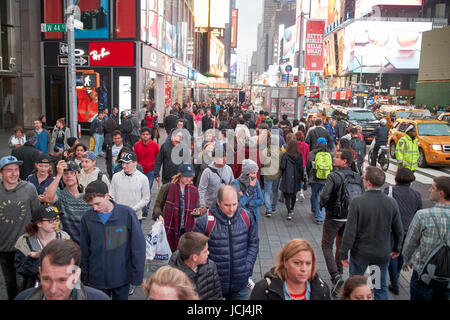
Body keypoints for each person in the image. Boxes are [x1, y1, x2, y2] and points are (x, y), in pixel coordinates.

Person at [340, 166, 404, 300]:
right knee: (379, 288)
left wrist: (344, 252)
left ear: (368, 182)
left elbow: (350, 231)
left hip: (360, 253)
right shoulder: (391, 202)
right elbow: (399, 230)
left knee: (355, 287)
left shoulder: (357, 202)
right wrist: (396, 248)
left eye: (364, 177)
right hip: (381, 253)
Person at [80, 180, 146, 300]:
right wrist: (85, 276)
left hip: (121, 278)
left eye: (97, 203)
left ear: (106, 196)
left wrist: (137, 276)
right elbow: (84, 249)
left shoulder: (126, 214)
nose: (95, 208)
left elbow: (138, 247)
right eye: (91, 205)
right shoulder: (87, 218)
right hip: (96, 280)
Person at [193, 185, 259, 300]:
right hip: (212, 285)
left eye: (234, 204)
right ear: (218, 202)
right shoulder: (204, 222)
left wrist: (247, 266)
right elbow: (194, 250)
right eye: (227, 205)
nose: (232, 209)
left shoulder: (246, 217)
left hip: (240, 284)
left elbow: (253, 243)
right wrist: (206, 272)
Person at [319, 150, 364, 297]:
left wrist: (323, 205)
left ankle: (335, 276)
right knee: (341, 245)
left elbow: (325, 195)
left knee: (326, 244)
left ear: (345, 161)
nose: (334, 158)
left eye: (337, 157)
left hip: (334, 215)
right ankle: (339, 273)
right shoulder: (357, 176)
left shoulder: (334, 175)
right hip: (350, 216)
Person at [402, 176, 450, 300]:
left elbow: (410, 242)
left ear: (441, 193)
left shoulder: (424, 216)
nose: (429, 190)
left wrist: (406, 259)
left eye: (432, 188)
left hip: (423, 272)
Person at [15, 239, 110, 300]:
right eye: (46, 279)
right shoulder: (23, 298)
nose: (53, 290)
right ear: (40, 272)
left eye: (62, 280)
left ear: (76, 276)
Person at [0, 156, 40, 300]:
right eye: (9, 170)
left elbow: (36, 216)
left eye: (16, 170)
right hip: (4, 247)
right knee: (10, 283)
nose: (13, 173)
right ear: (1, 173)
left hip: (26, 246)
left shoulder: (29, 188)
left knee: (26, 284)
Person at [383, 167, 422, 295]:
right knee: (401, 255)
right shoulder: (416, 195)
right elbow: (418, 213)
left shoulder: (389, 190)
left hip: (392, 229)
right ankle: (397, 276)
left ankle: (394, 283)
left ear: (396, 178)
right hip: (409, 229)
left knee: (392, 254)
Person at [250, 239, 331, 300]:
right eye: (297, 263)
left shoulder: (322, 289)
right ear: (285, 262)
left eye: (308, 263)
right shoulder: (263, 289)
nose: (304, 269)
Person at [14, 204, 70, 290]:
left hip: (61, 287)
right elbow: (21, 270)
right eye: (50, 220)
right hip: (36, 289)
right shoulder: (24, 242)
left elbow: (72, 263)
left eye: (56, 219)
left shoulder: (64, 237)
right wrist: (34, 259)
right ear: (39, 223)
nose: (55, 222)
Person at [153, 164, 199, 252]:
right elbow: (157, 205)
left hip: (186, 229)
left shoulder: (194, 191)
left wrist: (197, 212)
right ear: (179, 175)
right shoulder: (167, 187)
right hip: (169, 227)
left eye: (190, 176)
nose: (188, 179)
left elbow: (197, 208)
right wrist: (159, 215)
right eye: (186, 176)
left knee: (184, 254)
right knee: (170, 252)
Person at [43, 160, 91, 244]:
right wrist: (58, 175)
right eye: (65, 173)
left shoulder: (88, 194)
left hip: (86, 243)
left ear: (79, 175)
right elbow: (48, 198)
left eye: (72, 173)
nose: (68, 176)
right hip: (66, 244)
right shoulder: (60, 194)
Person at [168, 232, 223, 300]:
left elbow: (217, 296)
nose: (208, 253)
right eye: (205, 251)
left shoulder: (211, 267)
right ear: (194, 257)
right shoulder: (172, 276)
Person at [109, 152, 150, 224]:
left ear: (135, 163)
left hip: (135, 216)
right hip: (118, 215)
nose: (124, 166)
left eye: (127, 163)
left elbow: (146, 198)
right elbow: (111, 194)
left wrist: (133, 209)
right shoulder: (116, 176)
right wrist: (117, 208)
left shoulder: (143, 178)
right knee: (118, 235)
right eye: (123, 163)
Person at [198, 144, 234, 212]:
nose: (224, 159)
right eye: (221, 157)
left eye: (224, 156)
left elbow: (232, 185)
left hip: (225, 205)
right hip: (210, 206)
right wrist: (202, 206)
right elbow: (201, 189)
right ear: (214, 159)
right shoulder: (207, 172)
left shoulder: (229, 169)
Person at [306, 137, 332, 225]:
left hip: (315, 178)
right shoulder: (330, 153)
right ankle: (320, 214)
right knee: (323, 197)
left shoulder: (313, 153)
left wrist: (308, 175)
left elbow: (308, 164)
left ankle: (317, 213)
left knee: (315, 195)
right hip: (327, 179)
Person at [280, 140, 304, 221]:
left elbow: (283, 166)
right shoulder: (299, 156)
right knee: (294, 194)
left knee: (287, 196)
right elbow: (301, 168)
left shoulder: (285, 155)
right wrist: (301, 177)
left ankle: (289, 211)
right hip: (296, 177)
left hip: (287, 177)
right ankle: (292, 208)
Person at [295, 131, 310, 201]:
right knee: (302, 178)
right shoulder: (306, 145)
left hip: (295, 163)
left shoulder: (294, 145)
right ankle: (301, 192)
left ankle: (294, 194)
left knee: (295, 178)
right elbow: (308, 156)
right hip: (303, 163)